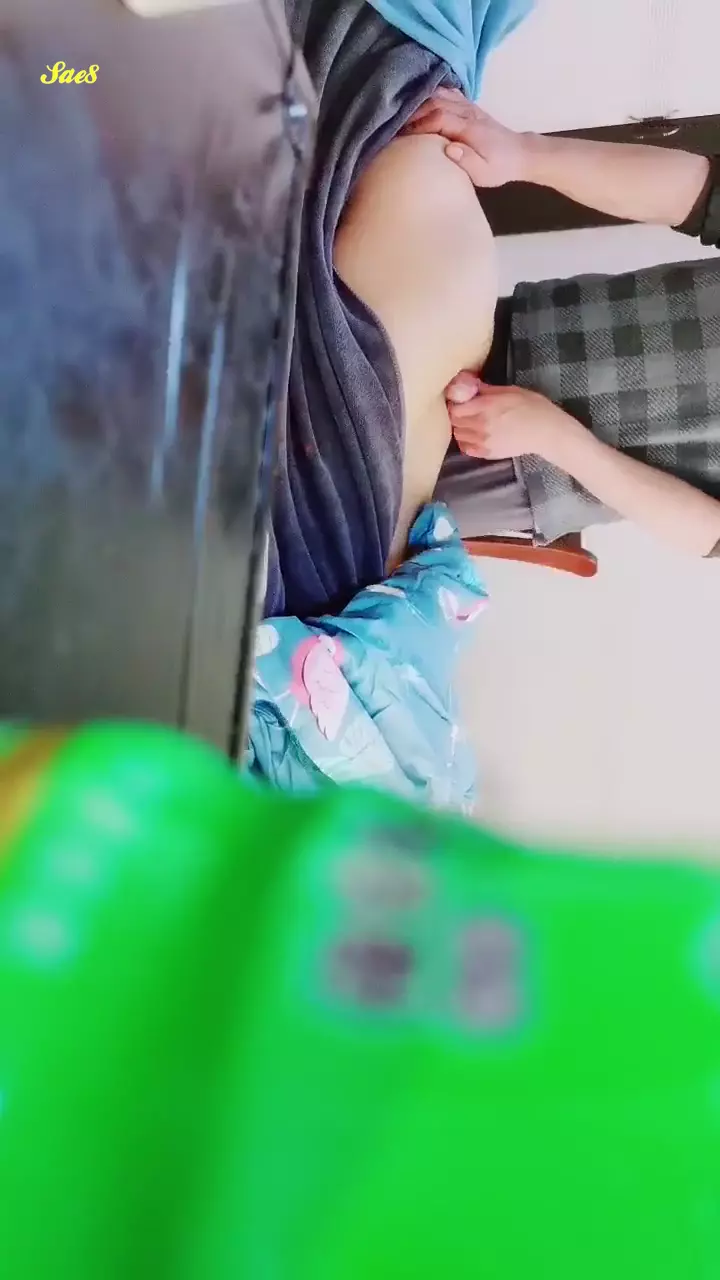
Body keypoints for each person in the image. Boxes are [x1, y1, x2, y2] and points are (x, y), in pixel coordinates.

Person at [402, 90, 720, 558]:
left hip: (526, 468)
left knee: (302, 501)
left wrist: (554, 437)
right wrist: (522, 153)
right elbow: (702, 193)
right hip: (516, 327)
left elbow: (711, 533)